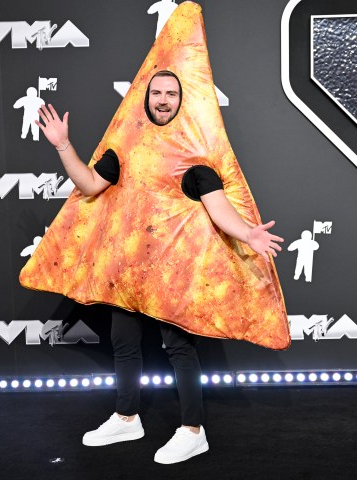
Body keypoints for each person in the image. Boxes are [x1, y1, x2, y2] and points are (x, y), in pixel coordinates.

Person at [35, 71, 283, 464]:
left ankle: (192, 431)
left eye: (171, 93)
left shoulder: (197, 159)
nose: (163, 99)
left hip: (172, 277)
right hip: (128, 274)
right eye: (157, 93)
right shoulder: (124, 149)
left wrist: (249, 234)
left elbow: (219, 210)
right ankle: (127, 417)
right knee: (123, 345)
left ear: (182, 101)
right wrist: (63, 145)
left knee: (179, 349)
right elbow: (89, 186)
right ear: (145, 98)